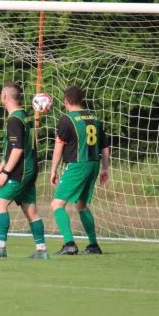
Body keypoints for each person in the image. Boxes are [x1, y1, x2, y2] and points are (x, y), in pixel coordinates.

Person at [0, 82, 49, 259]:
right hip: (30, 168)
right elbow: (17, 147)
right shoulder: (25, 116)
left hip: (20, 170)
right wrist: (0, 166)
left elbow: (17, 149)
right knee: (30, 210)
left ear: (4, 97)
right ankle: (41, 250)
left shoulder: (14, 120)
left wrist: (6, 172)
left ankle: (0, 248)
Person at [50, 86, 110, 255]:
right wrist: (105, 169)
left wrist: (53, 169)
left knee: (57, 204)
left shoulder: (67, 119)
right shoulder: (95, 119)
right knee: (81, 205)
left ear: (66, 101)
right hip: (94, 164)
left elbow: (59, 146)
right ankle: (93, 245)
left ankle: (69, 243)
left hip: (78, 165)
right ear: (82, 100)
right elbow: (105, 147)